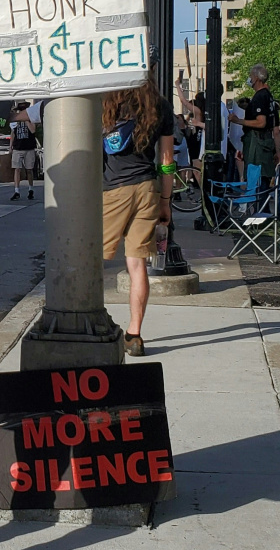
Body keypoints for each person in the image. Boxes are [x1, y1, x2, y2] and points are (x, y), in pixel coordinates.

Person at [101, 76, 174, 357]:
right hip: (147, 188)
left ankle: (91, 321)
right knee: (137, 265)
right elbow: (166, 162)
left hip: (114, 189)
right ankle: (134, 335)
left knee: (94, 260)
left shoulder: (107, 103)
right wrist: (165, 201)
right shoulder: (160, 106)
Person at [229, 64, 280, 188]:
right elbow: (275, 128)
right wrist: (277, 150)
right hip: (266, 142)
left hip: (257, 143)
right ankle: (263, 205)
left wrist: (238, 121)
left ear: (257, 78)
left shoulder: (259, 97)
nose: (250, 79)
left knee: (255, 177)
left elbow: (261, 122)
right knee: (263, 177)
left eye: (251, 76)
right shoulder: (269, 97)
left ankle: (259, 205)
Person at [8, 102, 37, 200]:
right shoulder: (15, 121)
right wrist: (10, 146)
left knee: (29, 170)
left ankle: (30, 189)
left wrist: (26, 120)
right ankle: (16, 191)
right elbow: (13, 133)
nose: (20, 112)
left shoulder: (31, 119)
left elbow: (33, 130)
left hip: (29, 147)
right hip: (17, 147)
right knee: (17, 169)